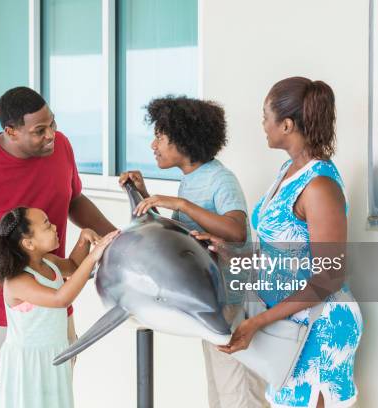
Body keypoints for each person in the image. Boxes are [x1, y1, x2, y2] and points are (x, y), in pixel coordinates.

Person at [194, 77, 363, 408]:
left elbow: (329, 276)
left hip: (320, 330)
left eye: (264, 116)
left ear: (286, 124)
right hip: (286, 325)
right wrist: (230, 253)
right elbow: (283, 250)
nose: (262, 124)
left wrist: (257, 323)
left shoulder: (319, 187)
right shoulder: (289, 170)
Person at [0, 87, 115, 385]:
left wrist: (117, 237)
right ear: (11, 131)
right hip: (1, 319)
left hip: (55, 311)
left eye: (53, 124)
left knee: (54, 399)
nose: (51, 135)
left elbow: (74, 200)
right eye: (39, 130)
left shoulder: (61, 147)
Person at [119, 96, 267, 408]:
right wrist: (145, 196)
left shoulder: (219, 178)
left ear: (184, 138)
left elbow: (236, 229)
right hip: (210, 304)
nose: (153, 145)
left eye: (160, 136)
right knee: (220, 395)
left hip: (231, 307)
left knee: (239, 396)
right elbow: (185, 237)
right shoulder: (191, 181)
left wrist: (180, 204)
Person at [0, 206, 119, 407]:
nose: (55, 227)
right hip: (28, 363)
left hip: (53, 354)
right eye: (47, 226)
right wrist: (94, 256)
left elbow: (73, 267)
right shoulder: (18, 281)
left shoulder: (47, 262)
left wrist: (83, 239)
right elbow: (61, 299)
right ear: (29, 243)